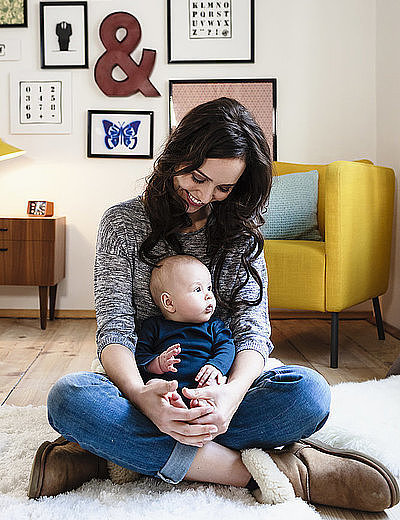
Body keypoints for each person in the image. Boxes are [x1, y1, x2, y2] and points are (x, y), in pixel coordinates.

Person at [28, 98, 399, 511]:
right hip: (146, 386)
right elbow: (115, 328)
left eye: (223, 188)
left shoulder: (241, 231)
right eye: (197, 178)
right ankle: (277, 473)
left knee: (309, 394)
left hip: (217, 390)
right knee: (69, 397)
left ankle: (109, 457)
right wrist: (140, 394)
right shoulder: (122, 223)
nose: (204, 196)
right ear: (177, 156)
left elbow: (252, 329)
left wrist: (231, 397)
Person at [135, 254, 236, 407]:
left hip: (202, 382)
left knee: (217, 383)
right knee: (152, 383)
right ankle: (171, 404)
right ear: (169, 302)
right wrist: (157, 363)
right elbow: (140, 356)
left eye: (209, 288)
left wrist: (216, 366)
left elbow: (227, 348)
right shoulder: (154, 326)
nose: (209, 295)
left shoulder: (214, 325)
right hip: (167, 385)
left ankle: (202, 406)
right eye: (197, 289)